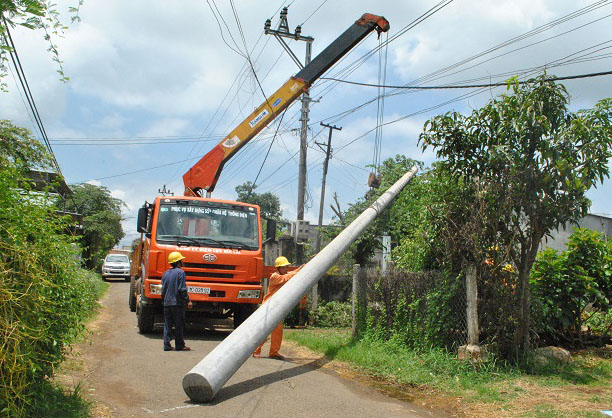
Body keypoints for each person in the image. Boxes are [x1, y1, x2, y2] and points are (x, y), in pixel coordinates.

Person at [253, 256, 303, 360]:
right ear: (278, 268)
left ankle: (274, 352)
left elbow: (292, 273)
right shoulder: (274, 277)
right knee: (265, 331)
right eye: (284, 267)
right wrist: (298, 271)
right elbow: (287, 278)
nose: (286, 269)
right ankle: (256, 350)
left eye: (287, 267)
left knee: (277, 331)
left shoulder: (285, 274)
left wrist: (304, 267)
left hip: (276, 308)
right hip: (268, 307)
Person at [161, 251, 192, 352]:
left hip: (167, 303)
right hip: (177, 304)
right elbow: (182, 289)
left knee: (167, 324)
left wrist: (164, 300)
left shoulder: (165, 274)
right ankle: (179, 346)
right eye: (181, 260)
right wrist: (188, 300)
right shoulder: (181, 273)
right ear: (179, 262)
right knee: (179, 324)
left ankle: (167, 345)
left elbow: (163, 290)